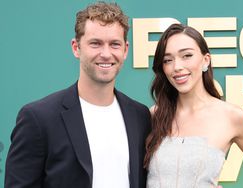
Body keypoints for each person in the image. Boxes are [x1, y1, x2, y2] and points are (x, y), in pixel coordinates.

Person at [5, 2, 151, 188]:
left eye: (114, 44)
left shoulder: (140, 116)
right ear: (76, 47)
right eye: (95, 43)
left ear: (125, 50)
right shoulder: (39, 118)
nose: (106, 54)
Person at [144, 23, 243, 187]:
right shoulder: (154, 115)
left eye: (187, 55)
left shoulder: (232, 117)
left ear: (205, 60)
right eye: (168, 60)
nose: (177, 67)